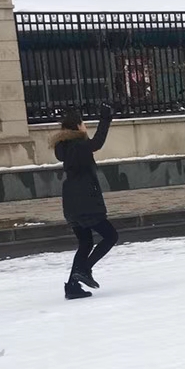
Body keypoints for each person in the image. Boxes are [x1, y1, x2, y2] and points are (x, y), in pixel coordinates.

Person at [52, 102, 118, 301]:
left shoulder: (66, 147)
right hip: (86, 201)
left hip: (72, 203)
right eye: (82, 124)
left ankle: (72, 286)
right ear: (77, 127)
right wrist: (105, 118)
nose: (85, 127)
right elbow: (97, 143)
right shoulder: (78, 145)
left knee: (86, 242)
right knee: (110, 236)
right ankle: (85, 270)